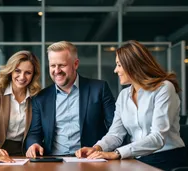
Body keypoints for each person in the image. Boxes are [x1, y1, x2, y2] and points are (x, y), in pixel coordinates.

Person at [75, 40, 188, 171]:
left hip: (167, 157)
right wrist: (97, 148)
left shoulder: (164, 88)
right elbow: (116, 134)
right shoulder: (124, 95)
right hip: (138, 158)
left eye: (119, 65)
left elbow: (158, 137)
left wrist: (117, 153)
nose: (115, 70)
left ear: (132, 65)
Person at [25, 41, 116, 157]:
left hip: (90, 159)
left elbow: (115, 128)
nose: (57, 71)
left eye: (62, 65)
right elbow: (34, 133)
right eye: (53, 65)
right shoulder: (41, 97)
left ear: (76, 64)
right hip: (53, 160)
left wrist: (103, 150)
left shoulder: (99, 89)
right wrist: (33, 144)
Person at [0, 50, 41, 156]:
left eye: (28, 73)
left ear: (33, 75)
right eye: (17, 71)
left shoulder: (36, 96)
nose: (22, 77)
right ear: (10, 71)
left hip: (23, 153)